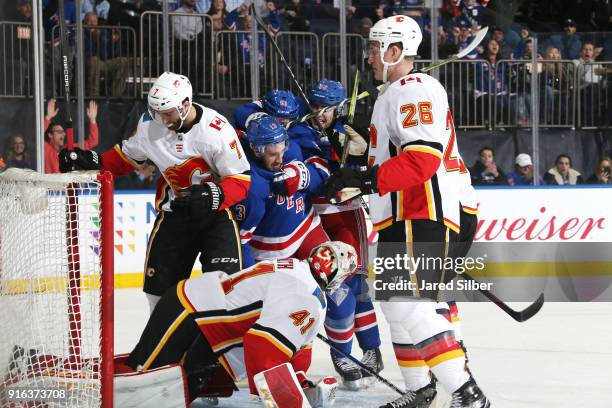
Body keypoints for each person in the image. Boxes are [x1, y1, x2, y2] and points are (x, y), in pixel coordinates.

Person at [324, 15, 489, 408]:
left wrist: (363, 179)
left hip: (425, 208)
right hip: (408, 210)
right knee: (396, 304)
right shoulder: (395, 92)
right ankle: (421, 389)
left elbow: (422, 160)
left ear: (393, 50)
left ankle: (468, 394)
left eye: (373, 48)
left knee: (408, 303)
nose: (368, 57)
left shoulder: (413, 89)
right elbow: (399, 155)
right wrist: (364, 157)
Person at [58, 72, 251, 314]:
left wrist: (211, 195)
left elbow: (241, 180)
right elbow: (125, 159)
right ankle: (166, 348)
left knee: (225, 290)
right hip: (175, 216)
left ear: (185, 105)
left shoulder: (216, 130)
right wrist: (90, 159)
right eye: (158, 111)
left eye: (168, 112)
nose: (163, 118)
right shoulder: (151, 127)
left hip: (216, 218)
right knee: (159, 296)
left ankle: (216, 349)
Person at [119, 241, 357, 405]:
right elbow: (262, 346)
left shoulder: (300, 275)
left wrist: (301, 383)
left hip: (210, 334)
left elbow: (296, 350)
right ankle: (87, 390)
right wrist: (288, 401)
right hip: (191, 310)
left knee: (172, 394)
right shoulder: (306, 296)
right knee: (138, 383)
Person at [306, 79, 383, 390]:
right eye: (313, 106)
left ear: (337, 107)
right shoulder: (303, 129)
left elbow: (371, 170)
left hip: (347, 215)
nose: (317, 113)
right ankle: (342, 354)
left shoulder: (352, 129)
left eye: (322, 107)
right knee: (334, 284)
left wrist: (360, 156)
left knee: (357, 285)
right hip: (315, 217)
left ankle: (372, 351)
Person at [236, 115, 329, 266]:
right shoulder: (252, 186)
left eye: (282, 151)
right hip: (270, 255)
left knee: (335, 280)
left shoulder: (292, 150)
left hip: (309, 230)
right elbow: (241, 242)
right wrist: (250, 279)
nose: (280, 160)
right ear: (256, 149)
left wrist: (302, 176)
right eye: (273, 154)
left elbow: (324, 180)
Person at [44, 98, 99, 174]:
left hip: (67, 185)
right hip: (49, 185)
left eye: (63, 132)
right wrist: (48, 117)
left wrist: (93, 120)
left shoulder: (69, 148)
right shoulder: (45, 148)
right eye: (59, 131)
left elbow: (93, 141)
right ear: (50, 135)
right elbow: (38, 135)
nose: (63, 134)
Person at [83, 12, 130, 97]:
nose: (92, 23)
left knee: (123, 61)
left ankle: (116, 95)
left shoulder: (103, 32)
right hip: (89, 61)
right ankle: (93, 96)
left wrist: (114, 42)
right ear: (85, 22)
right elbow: (88, 52)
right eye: (89, 21)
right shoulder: (83, 33)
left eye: (94, 21)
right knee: (94, 60)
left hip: (104, 62)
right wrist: (94, 38)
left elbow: (111, 54)